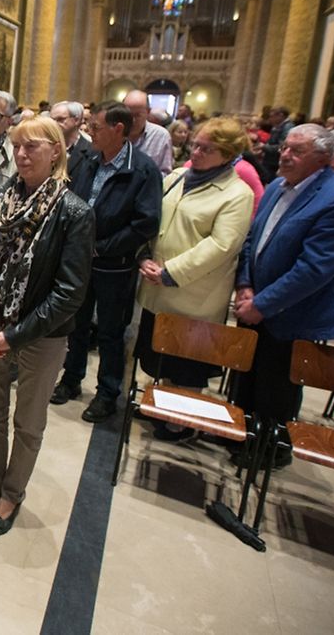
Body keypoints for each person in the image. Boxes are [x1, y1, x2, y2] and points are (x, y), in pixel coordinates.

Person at [0, 116, 93, 535]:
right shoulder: (2, 199)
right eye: (17, 146)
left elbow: (69, 293)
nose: (21, 154)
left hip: (40, 335)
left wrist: (14, 335)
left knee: (29, 422)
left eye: (32, 146)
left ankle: (12, 494)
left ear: (56, 151)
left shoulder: (74, 212)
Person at [232, 124, 334, 468]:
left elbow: (314, 269)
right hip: (253, 303)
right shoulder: (277, 186)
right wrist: (245, 285)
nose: (284, 155)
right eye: (285, 148)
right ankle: (241, 436)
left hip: (292, 314)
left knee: (276, 389)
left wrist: (262, 303)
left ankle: (269, 449)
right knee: (246, 379)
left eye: (296, 151)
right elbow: (252, 240)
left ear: (322, 159)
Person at [135, 117, 255, 440]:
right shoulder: (176, 177)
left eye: (206, 148)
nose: (196, 151)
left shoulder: (237, 193)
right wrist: (144, 256)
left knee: (185, 361)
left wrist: (171, 272)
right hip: (156, 283)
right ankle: (161, 404)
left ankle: (182, 420)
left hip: (193, 292)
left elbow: (222, 245)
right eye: (195, 145)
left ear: (228, 154)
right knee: (159, 354)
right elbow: (153, 219)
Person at [52, 101, 163, 422]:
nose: (89, 132)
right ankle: (71, 380)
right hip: (77, 261)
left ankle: (107, 393)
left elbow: (145, 223)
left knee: (112, 333)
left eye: (96, 127)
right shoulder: (85, 160)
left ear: (118, 129)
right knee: (76, 325)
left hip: (114, 266)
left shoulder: (142, 169)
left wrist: (102, 247)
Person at [122, 90, 174, 175]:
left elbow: (165, 173)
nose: (132, 120)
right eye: (128, 114)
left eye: (138, 115)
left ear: (148, 112)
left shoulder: (161, 136)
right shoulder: (113, 132)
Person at [50, 101, 93, 175]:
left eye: (60, 119)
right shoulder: (46, 146)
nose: (54, 124)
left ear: (76, 120)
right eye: (52, 120)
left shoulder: (91, 150)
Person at [256, 106, 294, 179]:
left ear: (281, 115)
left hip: (275, 163)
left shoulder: (287, 127)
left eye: (272, 116)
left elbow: (282, 146)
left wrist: (264, 147)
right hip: (270, 161)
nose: (270, 119)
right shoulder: (277, 126)